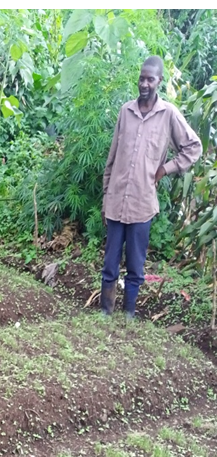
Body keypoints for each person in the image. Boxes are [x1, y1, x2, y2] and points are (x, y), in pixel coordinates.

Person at [100, 55, 203, 319]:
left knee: (135, 264)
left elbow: (194, 148)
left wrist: (165, 169)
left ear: (159, 81)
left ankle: (129, 313)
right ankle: (105, 311)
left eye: (150, 79)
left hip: (142, 203)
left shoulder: (168, 114)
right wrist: (105, 194)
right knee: (110, 262)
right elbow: (112, 157)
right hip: (116, 199)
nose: (144, 83)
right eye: (141, 78)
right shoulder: (126, 111)